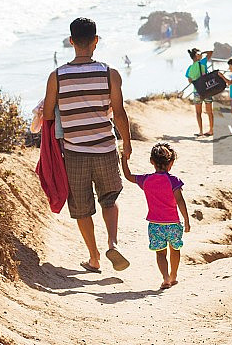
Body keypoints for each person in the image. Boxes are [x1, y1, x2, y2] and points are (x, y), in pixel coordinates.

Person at [44, 17, 132, 273]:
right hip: (105, 148)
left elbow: (48, 115)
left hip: (74, 153)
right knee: (109, 198)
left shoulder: (57, 76)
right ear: (96, 40)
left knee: (82, 208)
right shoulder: (109, 73)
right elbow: (119, 113)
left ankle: (94, 258)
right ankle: (113, 243)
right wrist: (127, 143)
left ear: (71, 41)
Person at [121, 142, 190, 289]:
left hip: (155, 225)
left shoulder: (146, 179)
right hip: (173, 224)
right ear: (171, 163)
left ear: (151, 161)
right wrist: (186, 220)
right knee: (175, 249)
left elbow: (128, 176)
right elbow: (180, 201)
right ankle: (173, 275)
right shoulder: (174, 181)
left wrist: (124, 159)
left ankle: (165, 278)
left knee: (160, 254)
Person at [185, 47, 214, 137]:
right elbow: (211, 52)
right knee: (209, 112)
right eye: (199, 53)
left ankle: (201, 131)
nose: (200, 55)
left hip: (197, 92)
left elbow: (190, 80)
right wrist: (203, 52)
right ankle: (211, 130)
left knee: (198, 113)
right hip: (207, 90)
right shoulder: (202, 63)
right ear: (196, 56)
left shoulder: (189, 68)